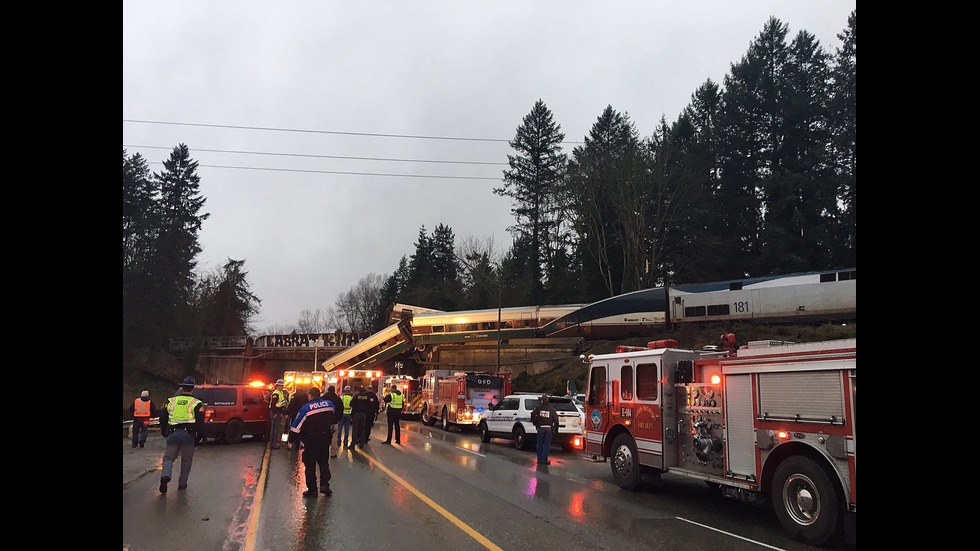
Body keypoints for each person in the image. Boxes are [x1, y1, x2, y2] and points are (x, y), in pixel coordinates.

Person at [288, 386, 337, 497]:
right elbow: (334, 415)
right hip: (325, 439)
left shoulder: (306, 408)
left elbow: (296, 426)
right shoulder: (329, 404)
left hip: (311, 440)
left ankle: (312, 490)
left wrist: (291, 440)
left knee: (310, 466)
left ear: (310, 395)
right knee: (324, 463)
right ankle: (325, 485)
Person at [159, 376, 205, 493]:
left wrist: (164, 431)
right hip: (188, 435)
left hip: (172, 433)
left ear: (182, 387)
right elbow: (200, 422)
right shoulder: (197, 403)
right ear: (192, 388)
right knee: (186, 460)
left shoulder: (171, 401)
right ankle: (182, 484)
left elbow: (163, 417)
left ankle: (165, 476)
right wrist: (199, 435)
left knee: (168, 458)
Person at [530, 395, 558, 465]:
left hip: (541, 428)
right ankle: (544, 459)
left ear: (542, 401)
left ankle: (539, 459)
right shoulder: (551, 409)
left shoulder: (538, 408)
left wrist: (535, 422)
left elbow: (533, 415)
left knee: (540, 444)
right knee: (546, 444)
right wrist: (556, 429)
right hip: (548, 428)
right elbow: (556, 419)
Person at [322, 385, 343, 458]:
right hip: (334, 421)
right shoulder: (337, 399)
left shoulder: (323, 398)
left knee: (324, 437)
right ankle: (333, 453)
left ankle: (323, 452)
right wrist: (338, 419)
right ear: (334, 391)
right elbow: (341, 409)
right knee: (334, 437)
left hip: (324, 421)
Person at [269, 379, 289, 449]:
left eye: (282, 386)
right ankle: (273, 444)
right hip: (275, 412)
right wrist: (275, 413)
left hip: (278, 411)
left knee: (276, 429)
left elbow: (281, 403)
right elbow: (273, 404)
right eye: (281, 386)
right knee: (274, 429)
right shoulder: (276, 393)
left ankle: (274, 444)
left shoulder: (280, 393)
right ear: (277, 386)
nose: (282, 387)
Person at [336, 385, 353, 450]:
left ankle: (338, 441)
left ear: (344, 391)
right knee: (347, 429)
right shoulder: (351, 398)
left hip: (342, 415)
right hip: (348, 415)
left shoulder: (341, 398)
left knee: (340, 429)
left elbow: (339, 406)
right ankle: (345, 442)